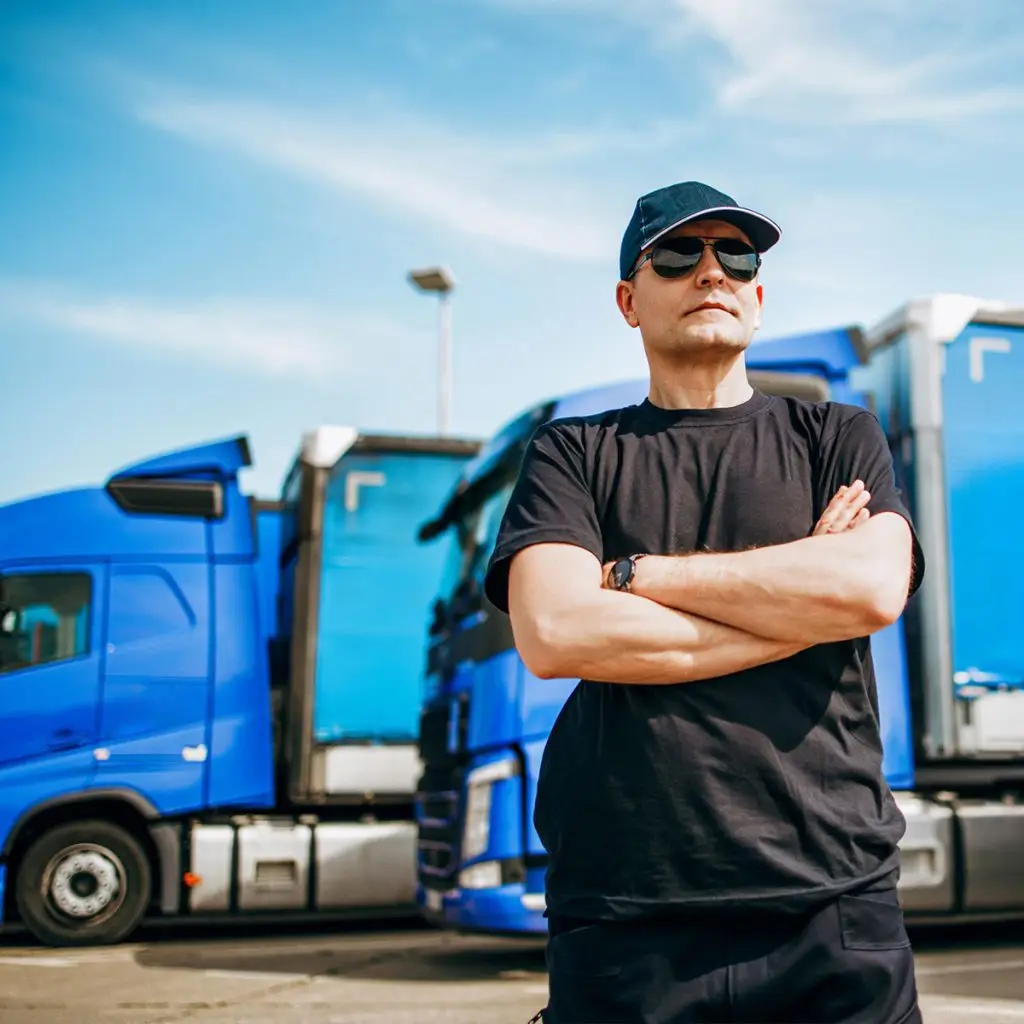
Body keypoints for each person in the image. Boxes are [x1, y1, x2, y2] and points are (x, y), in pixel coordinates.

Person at [483, 181, 925, 1024]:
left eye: (737, 256)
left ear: (758, 296)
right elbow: (555, 632)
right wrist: (799, 607)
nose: (711, 272)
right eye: (678, 256)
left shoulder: (838, 436)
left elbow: (869, 589)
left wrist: (630, 573)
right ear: (628, 300)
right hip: (627, 913)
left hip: (832, 904)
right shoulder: (573, 453)